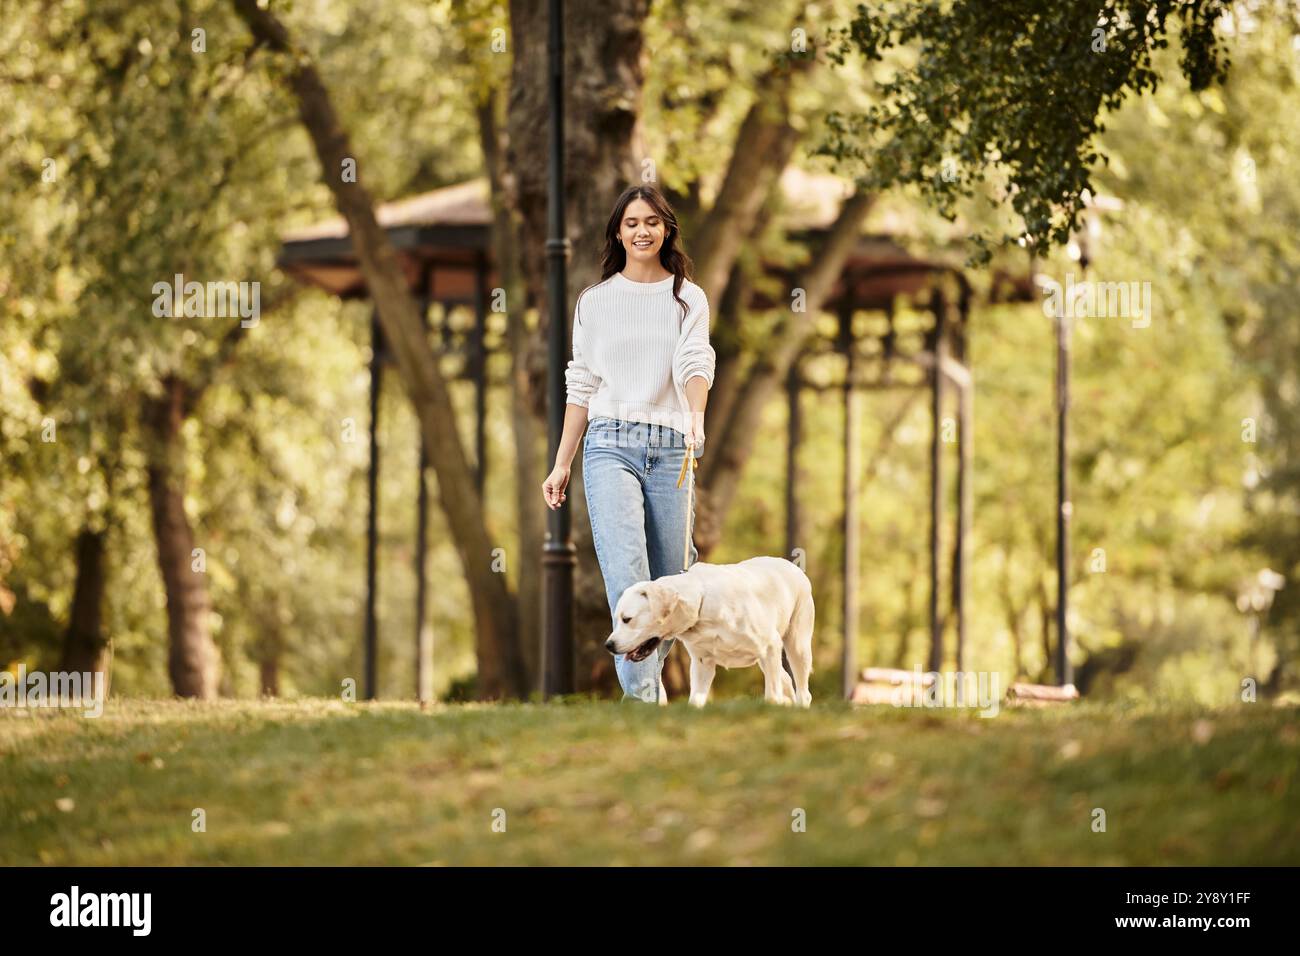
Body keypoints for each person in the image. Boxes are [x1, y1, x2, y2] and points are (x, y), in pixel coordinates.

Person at [542, 184, 715, 704]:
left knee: (669, 586)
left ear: (667, 231)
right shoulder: (595, 302)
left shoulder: (688, 298)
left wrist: (696, 418)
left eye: (653, 222)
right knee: (627, 575)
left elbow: (694, 363)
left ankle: (652, 692)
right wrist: (561, 465)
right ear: (618, 232)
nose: (643, 231)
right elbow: (582, 385)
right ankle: (644, 704)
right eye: (632, 223)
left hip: (670, 448)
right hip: (608, 445)